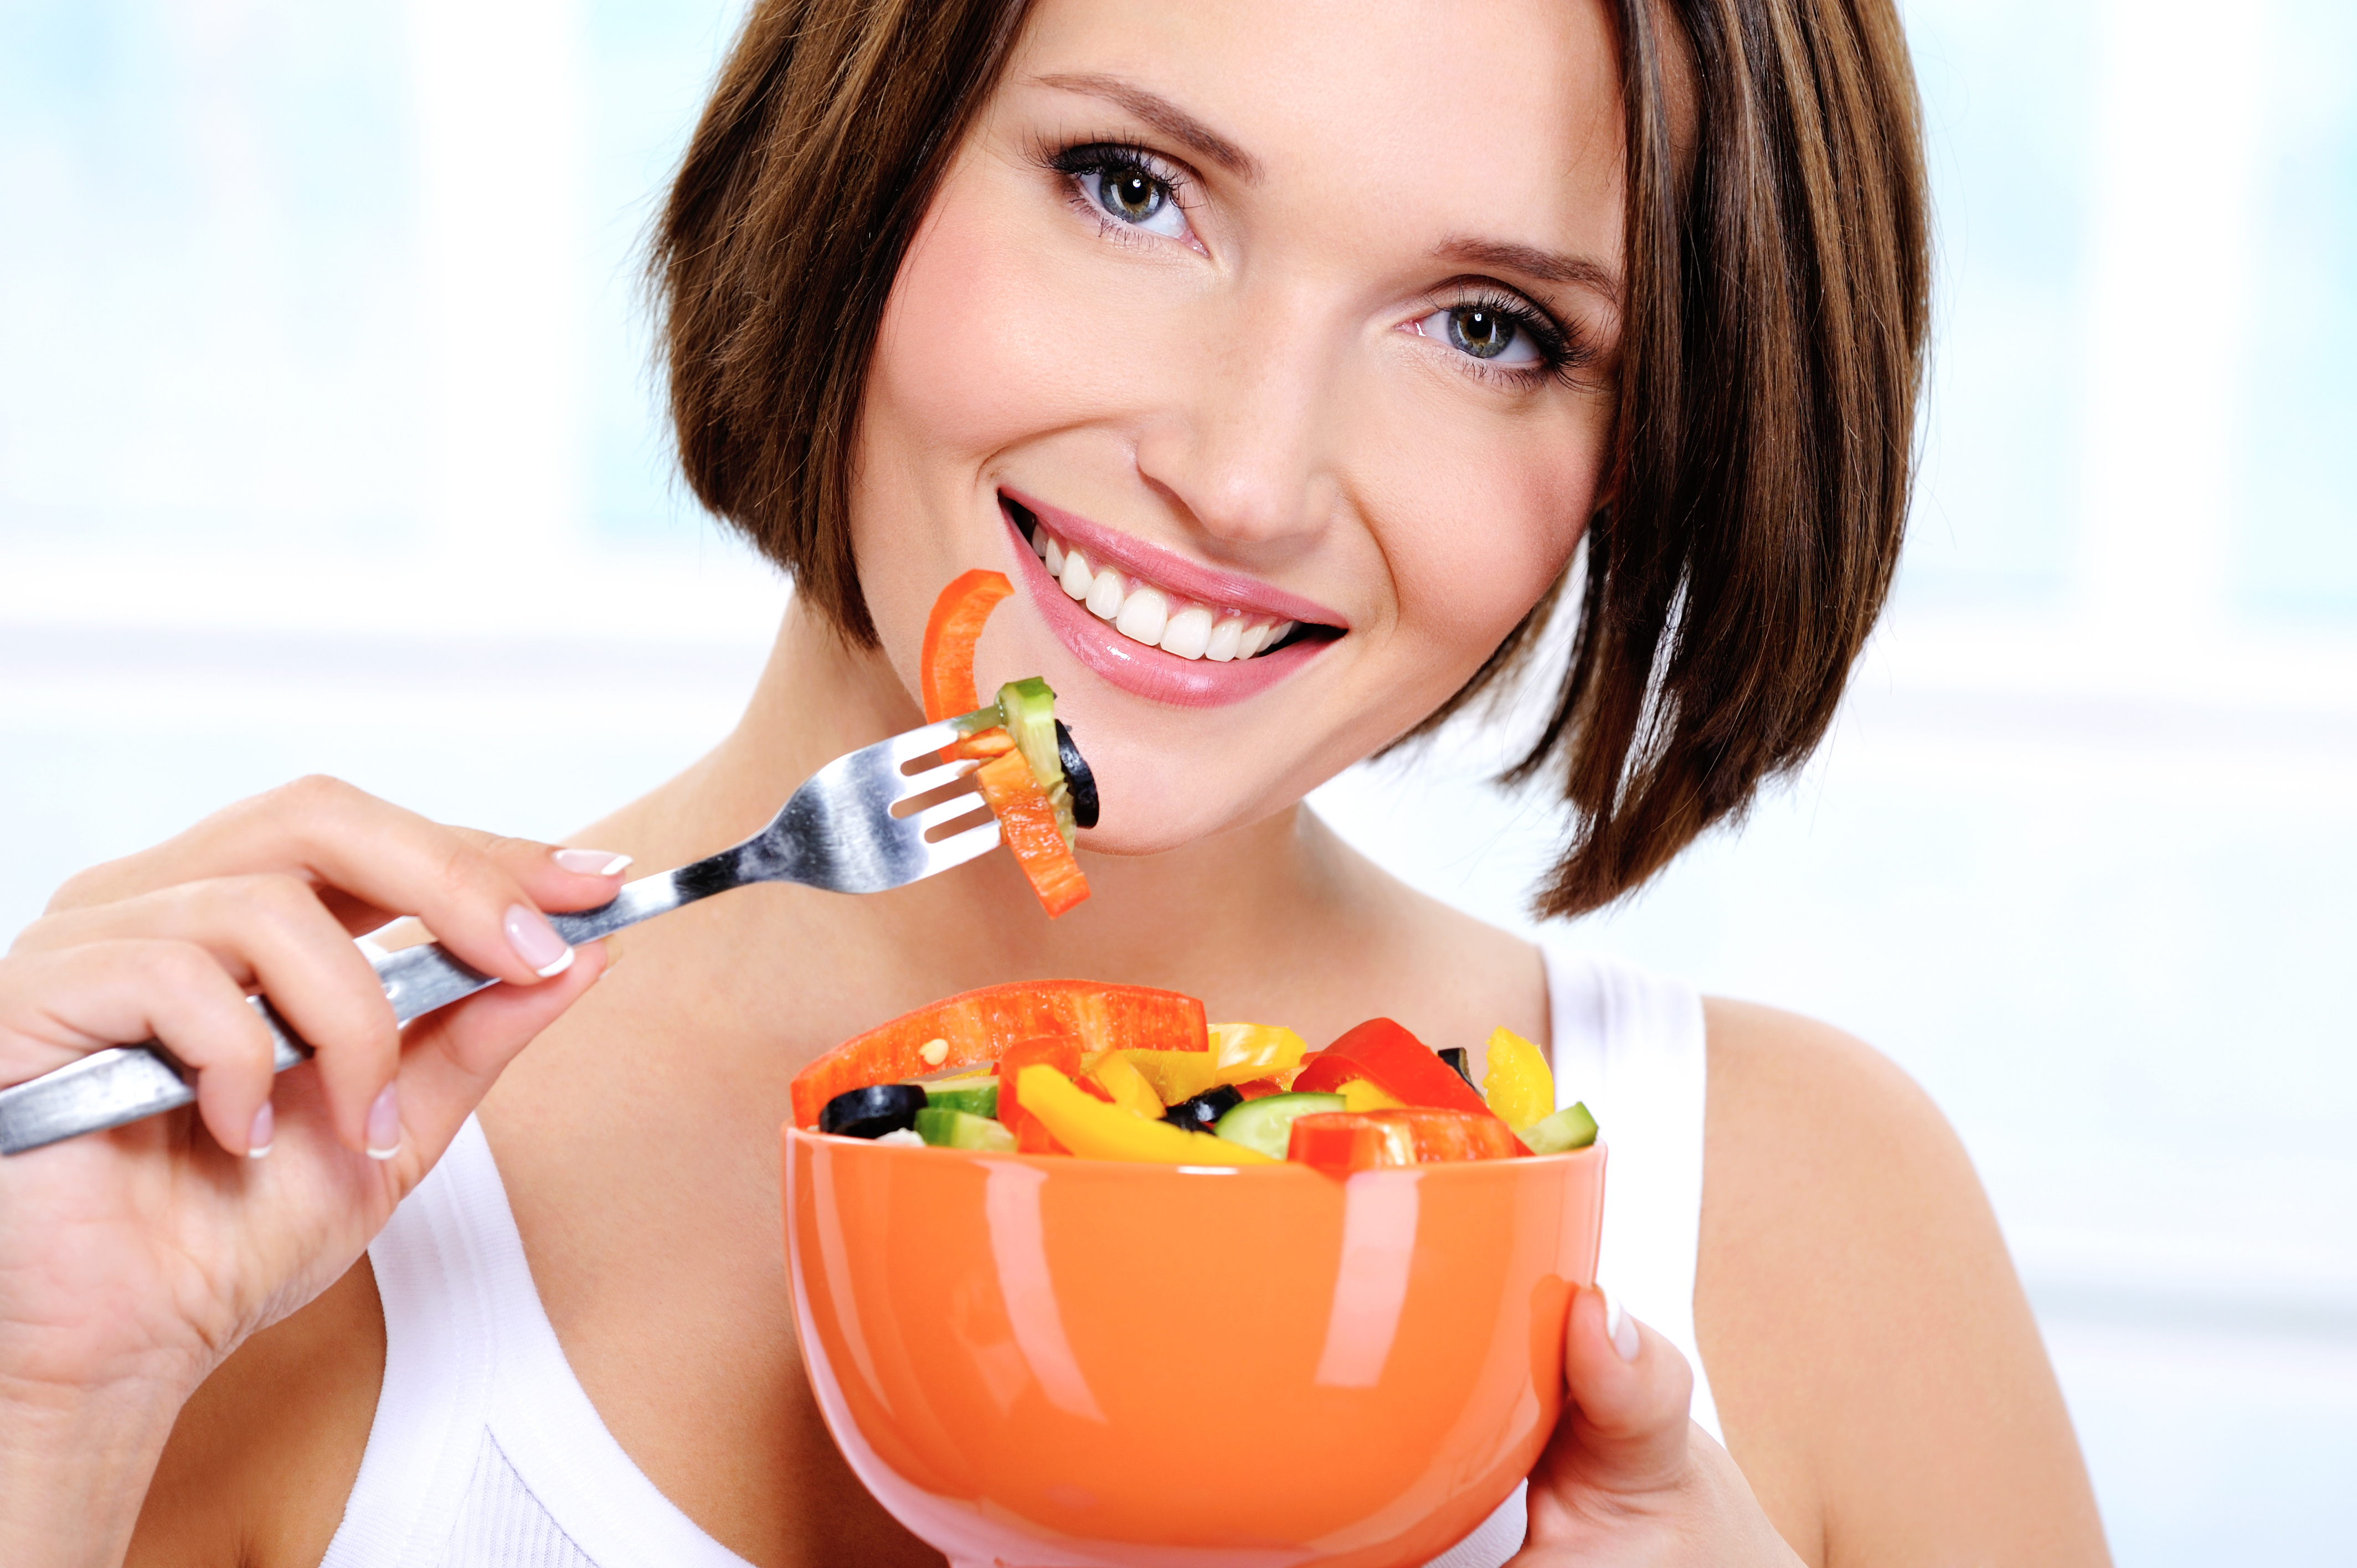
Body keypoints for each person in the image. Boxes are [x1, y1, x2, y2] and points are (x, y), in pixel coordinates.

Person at [0, 0, 2113, 1563]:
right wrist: (42, 1415)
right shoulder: (256, 1202)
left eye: (1489, 328)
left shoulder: (1804, 1223)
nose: (1247, 476)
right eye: (1133, 189)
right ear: (868, 147)